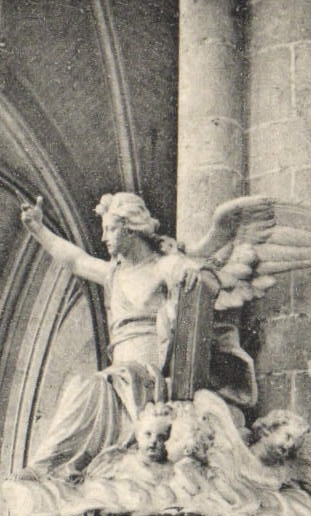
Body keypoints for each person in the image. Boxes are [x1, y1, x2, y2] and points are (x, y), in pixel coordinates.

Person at [16, 193, 209, 481]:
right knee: (83, 384)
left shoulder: (162, 266)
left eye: (110, 229)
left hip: (147, 375)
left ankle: (46, 465)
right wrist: (38, 229)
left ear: (129, 228)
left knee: (88, 387)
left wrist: (194, 271)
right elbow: (75, 260)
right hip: (119, 374)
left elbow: (190, 272)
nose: (104, 237)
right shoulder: (113, 275)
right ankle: (50, 465)